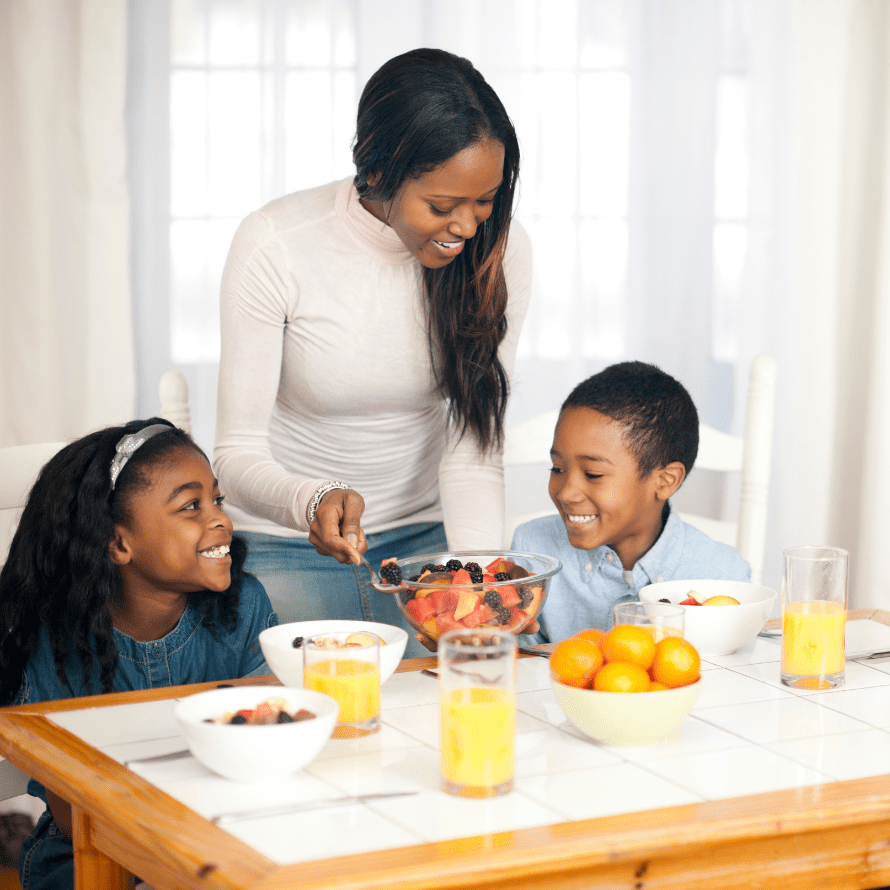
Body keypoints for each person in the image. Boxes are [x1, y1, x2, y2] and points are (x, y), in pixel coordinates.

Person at [214, 48, 531, 655]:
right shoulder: (276, 244)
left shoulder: (499, 251)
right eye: (442, 206)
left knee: (468, 684)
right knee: (317, 706)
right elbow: (234, 455)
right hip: (288, 542)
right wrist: (310, 501)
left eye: (485, 200)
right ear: (379, 173)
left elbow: (473, 451)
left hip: (428, 544)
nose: (467, 226)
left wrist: (476, 586)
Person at [0, 419, 277, 890]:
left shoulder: (242, 605)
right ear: (118, 543)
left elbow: (268, 737)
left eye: (217, 500)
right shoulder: (51, 642)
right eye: (191, 505)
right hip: (89, 853)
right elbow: (75, 818)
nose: (221, 520)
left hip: (224, 837)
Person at [512, 362, 751, 643]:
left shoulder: (721, 577)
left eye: (593, 474)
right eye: (557, 468)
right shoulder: (533, 551)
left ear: (665, 481)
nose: (567, 493)